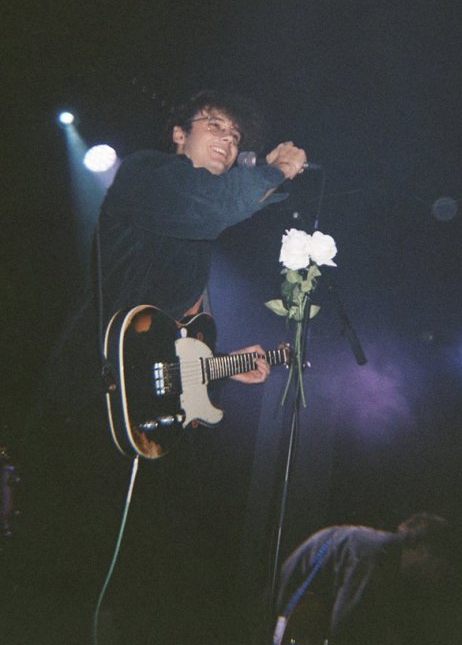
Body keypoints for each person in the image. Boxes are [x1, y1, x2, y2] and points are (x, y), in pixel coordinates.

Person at [12, 90, 307, 645]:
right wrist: (272, 171)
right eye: (214, 126)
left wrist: (220, 365)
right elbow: (218, 205)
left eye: (236, 136)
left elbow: (174, 334)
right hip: (92, 393)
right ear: (179, 134)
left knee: (151, 569)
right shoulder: (147, 174)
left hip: (145, 415)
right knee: (65, 568)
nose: (227, 140)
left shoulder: (198, 228)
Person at [273, 513, 460, 645]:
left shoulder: (386, 557)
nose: (438, 578)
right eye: (439, 568)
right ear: (423, 550)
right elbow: (347, 626)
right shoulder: (374, 556)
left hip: (299, 606)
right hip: (290, 604)